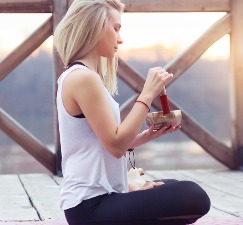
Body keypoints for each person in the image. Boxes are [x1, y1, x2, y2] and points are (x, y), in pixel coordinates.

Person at [53, 0, 211, 224]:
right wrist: (147, 94)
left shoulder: (84, 76)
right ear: (94, 26)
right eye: (115, 28)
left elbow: (104, 141)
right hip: (89, 206)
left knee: (172, 185)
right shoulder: (82, 78)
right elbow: (115, 146)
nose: (120, 38)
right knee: (193, 195)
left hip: (101, 199)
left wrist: (146, 136)